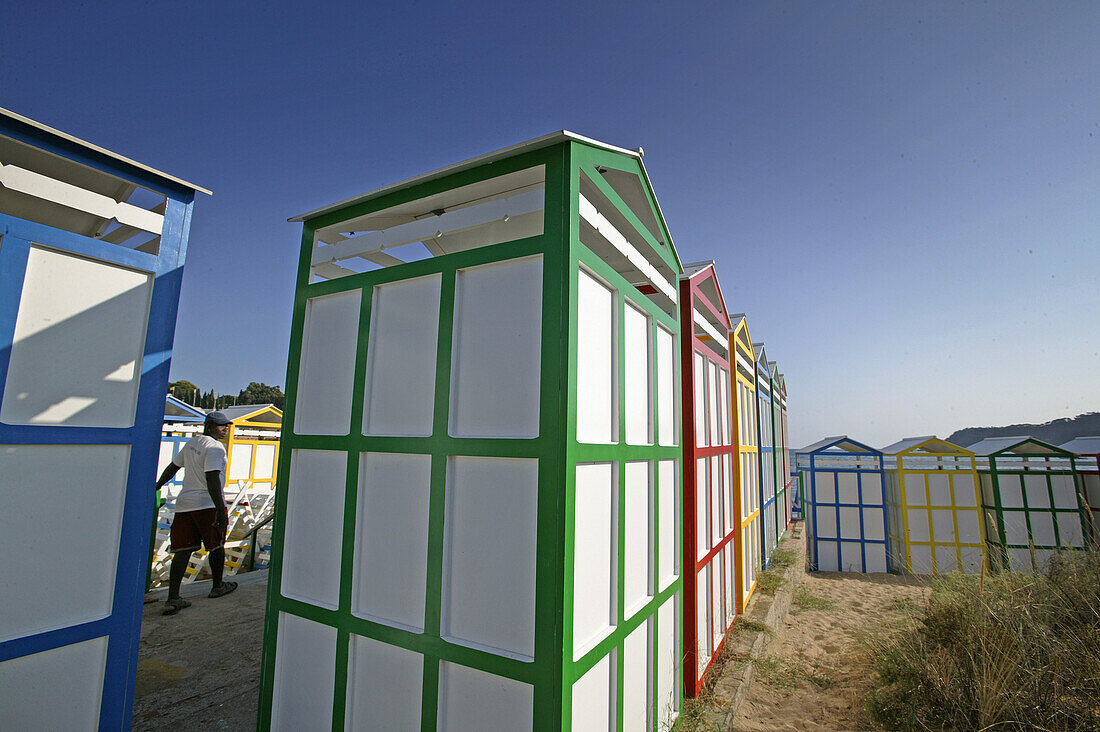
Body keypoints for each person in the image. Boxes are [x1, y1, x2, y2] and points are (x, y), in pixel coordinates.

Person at [154, 410, 239, 614]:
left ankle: (173, 598)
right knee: (216, 545)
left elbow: (172, 467)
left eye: (227, 426)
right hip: (207, 504)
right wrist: (220, 509)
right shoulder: (216, 448)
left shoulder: (191, 444)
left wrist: (156, 485)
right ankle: (218, 586)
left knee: (182, 550)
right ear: (209, 427)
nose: (225, 429)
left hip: (185, 505)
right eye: (221, 426)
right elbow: (212, 478)